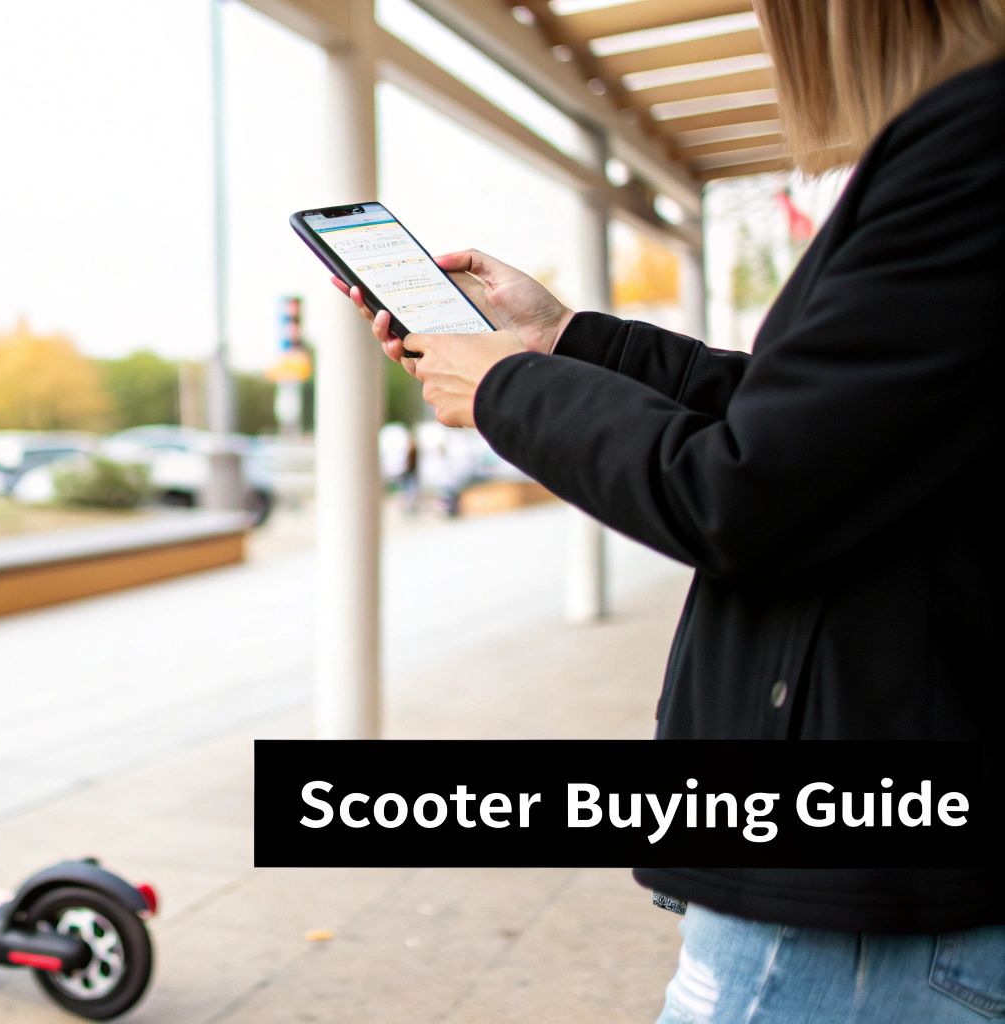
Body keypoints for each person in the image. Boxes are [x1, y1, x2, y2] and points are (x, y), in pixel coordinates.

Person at [332, 2, 1004, 1020]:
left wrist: (507, 390)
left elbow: (748, 491)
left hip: (853, 912)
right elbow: (820, 423)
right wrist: (565, 339)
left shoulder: (974, 139)